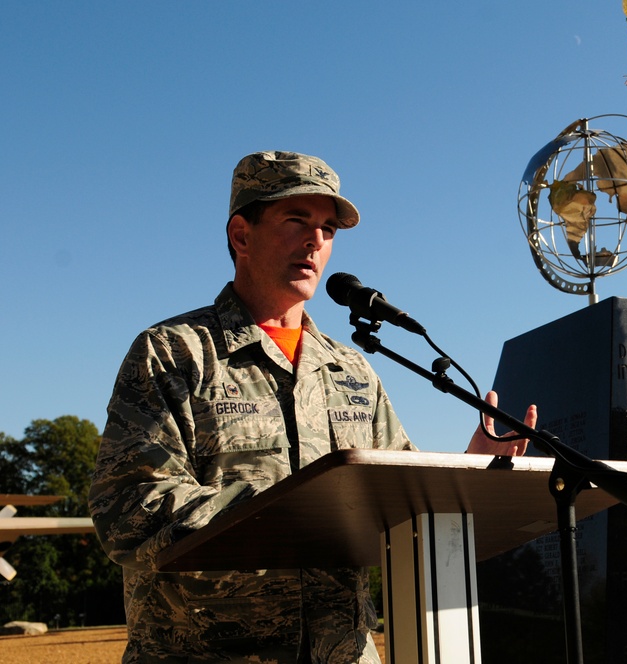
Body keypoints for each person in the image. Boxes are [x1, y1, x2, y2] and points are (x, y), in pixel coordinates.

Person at [88, 150, 536, 663]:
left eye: (327, 228)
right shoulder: (174, 353)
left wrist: (468, 466)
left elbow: (401, 502)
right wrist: (284, 512)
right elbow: (126, 507)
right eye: (295, 220)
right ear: (241, 236)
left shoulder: (351, 369)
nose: (315, 241)